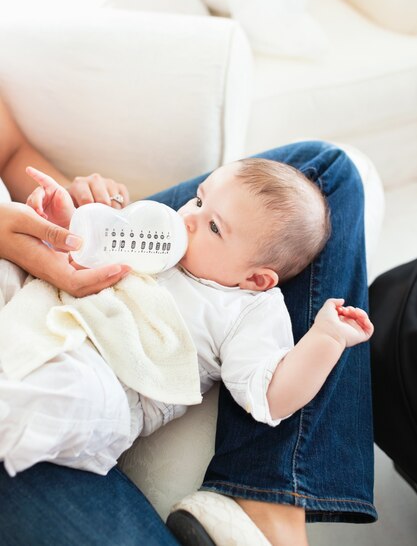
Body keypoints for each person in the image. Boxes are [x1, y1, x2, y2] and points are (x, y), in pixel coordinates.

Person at [0, 97, 377, 546]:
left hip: (106, 377)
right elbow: (89, 247)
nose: (189, 219)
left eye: (213, 225)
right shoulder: (170, 243)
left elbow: (273, 394)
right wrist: (74, 230)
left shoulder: (250, 310)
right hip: (62, 318)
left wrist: (324, 340)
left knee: (326, 170)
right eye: (197, 202)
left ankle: (265, 502)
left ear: (256, 279)